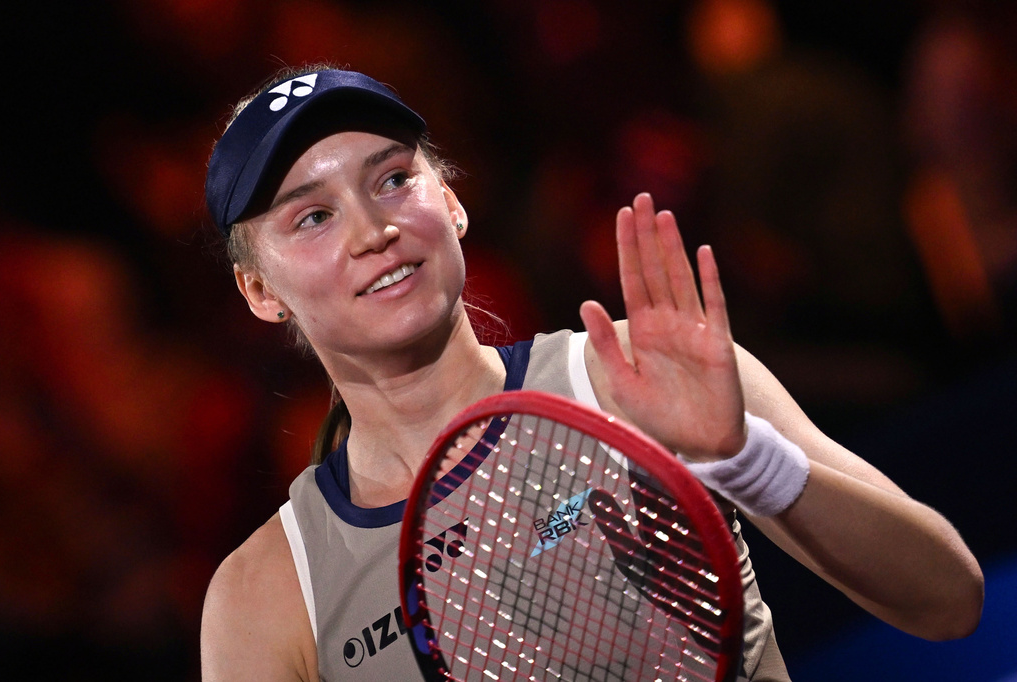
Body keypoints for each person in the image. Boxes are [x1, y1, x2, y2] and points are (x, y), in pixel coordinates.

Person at [199, 64, 983, 681]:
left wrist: (742, 459)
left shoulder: (638, 380)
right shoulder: (265, 597)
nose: (375, 229)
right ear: (260, 291)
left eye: (393, 179)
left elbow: (950, 600)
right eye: (313, 215)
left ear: (453, 201)